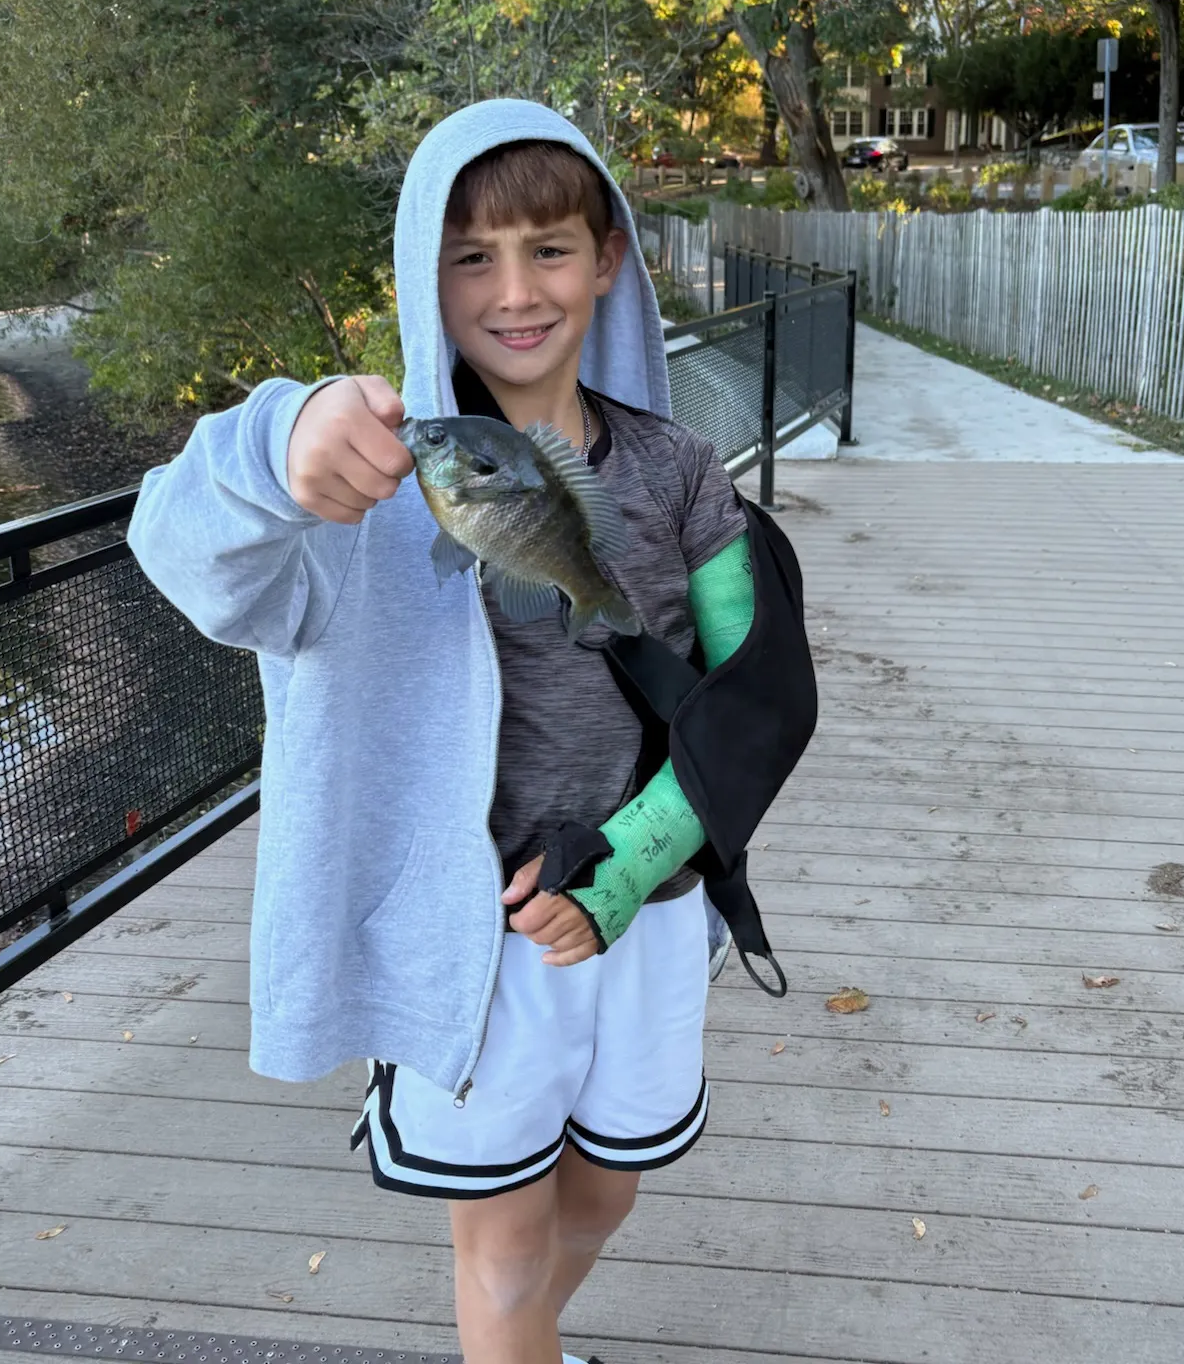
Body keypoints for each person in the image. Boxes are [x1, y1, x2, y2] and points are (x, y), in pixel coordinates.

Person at [128, 99, 810, 1364]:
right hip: (472, 942)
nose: (515, 291)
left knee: (605, 1193)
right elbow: (185, 555)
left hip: (646, 907)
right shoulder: (363, 482)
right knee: (499, 1251)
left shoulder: (679, 467)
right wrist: (277, 443)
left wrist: (634, 865)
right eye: (470, 257)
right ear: (419, 275)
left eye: (549, 249)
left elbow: (758, 696)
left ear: (608, 260)